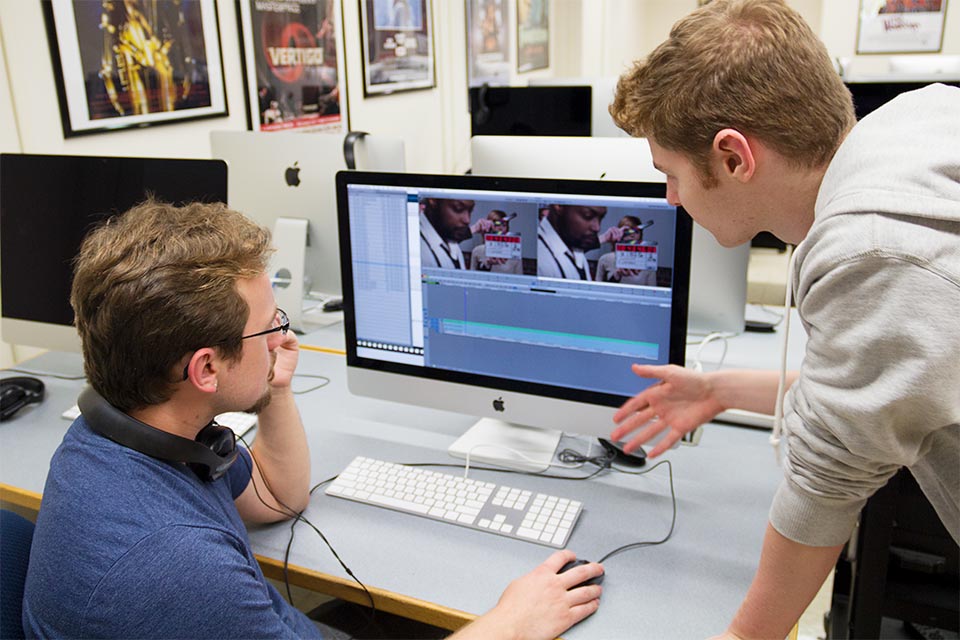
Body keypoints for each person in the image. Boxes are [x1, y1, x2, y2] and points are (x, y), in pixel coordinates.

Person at [21, 199, 603, 638]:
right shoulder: (177, 566)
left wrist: (270, 389)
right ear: (204, 369)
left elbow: (279, 497)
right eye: (271, 325)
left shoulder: (123, 432)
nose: (284, 336)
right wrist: (512, 622)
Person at [607, 1, 959, 639]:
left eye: (672, 174)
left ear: (735, 158)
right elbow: (872, 397)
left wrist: (743, 637)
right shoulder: (916, 121)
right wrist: (719, 391)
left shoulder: (872, 250)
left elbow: (825, 485)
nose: (670, 199)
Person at [537, 204, 623, 280]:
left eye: (601, 218)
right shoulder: (542, 260)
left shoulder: (572, 243)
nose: (597, 227)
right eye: (588, 215)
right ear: (559, 205)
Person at [421, 198, 493, 269]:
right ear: (433, 199)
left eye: (470, 211)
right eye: (458, 209)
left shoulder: (447, 235)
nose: (467, 220)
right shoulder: (420, 249)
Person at [594, 215, 657, 286]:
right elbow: (597, 287)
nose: (632, 235)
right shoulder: (605, 259)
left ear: (640, 235)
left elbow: (653, 291)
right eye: (628, 231)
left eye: (636, 232)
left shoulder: (648, 262)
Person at [469, 209, 523, 274]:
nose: (500, 228)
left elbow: (519, 277)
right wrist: (487, 264)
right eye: (497, 225)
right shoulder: (477, 251)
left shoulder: (514, 253)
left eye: (504, 225)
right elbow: (472, 275)